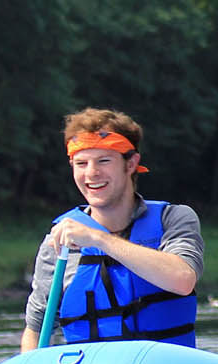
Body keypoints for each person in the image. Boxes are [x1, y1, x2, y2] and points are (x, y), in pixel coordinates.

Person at [21, 107, 204, 351]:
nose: (91, 173)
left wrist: (99, 239)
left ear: (131, 164)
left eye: (104, 161)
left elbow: (182, 280)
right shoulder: (59, 241)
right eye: (81, 163)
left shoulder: (174, 219)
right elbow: (35, 331)